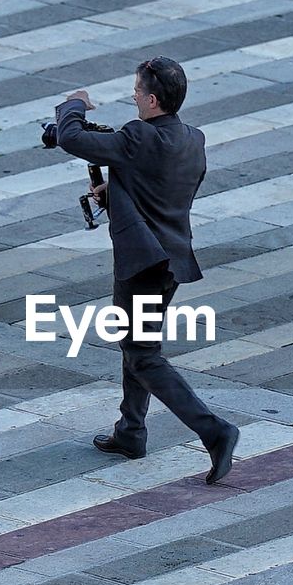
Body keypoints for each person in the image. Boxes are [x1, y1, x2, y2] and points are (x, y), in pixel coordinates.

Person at [53, 56, 239, 485]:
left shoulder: (137, 136)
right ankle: (131, 431)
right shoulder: (193, 139)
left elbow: (70, 138)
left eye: (137, 91)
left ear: (152, 100)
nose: (133, 96)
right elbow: (162, 190)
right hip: (171, 261)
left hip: (141, 263)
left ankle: (215, 431)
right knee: (136, 346)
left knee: (142, 356)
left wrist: (74, 103)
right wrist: (116, 193)